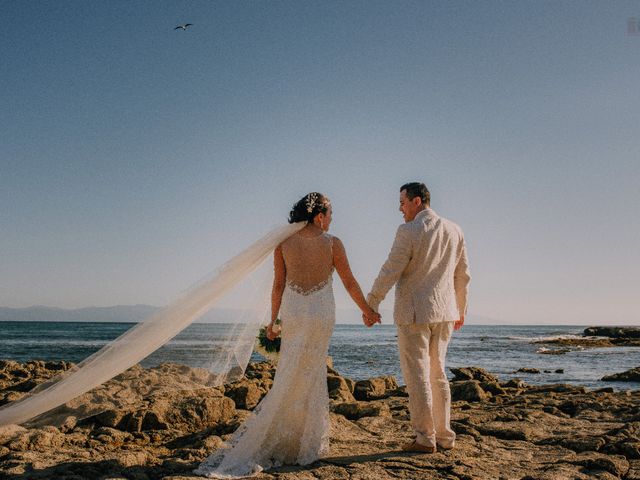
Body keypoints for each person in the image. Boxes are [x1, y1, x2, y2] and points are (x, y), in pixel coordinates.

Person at [195, 192, 380, 478]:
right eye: (330, 215)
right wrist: (367, 310)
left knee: (289, 373)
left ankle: (284, 438)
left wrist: (272, 322)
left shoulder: (283, 243)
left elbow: (278, 286)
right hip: (320, 313)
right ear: (320, 216)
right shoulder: (333, 244)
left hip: (293, 312)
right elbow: (349, 281)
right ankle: (305, 443)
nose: (331, 221)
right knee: (312, 372)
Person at [366, 182, 470, 453]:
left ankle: (425, 438)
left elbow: (391, 269)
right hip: (446, 312)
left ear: (417, 201)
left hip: (414, 314)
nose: (399, 208)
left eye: (402, 202)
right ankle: (445, 436)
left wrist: (372, 302)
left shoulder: (409, 230)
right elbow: (463, 275)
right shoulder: (455, 230)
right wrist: (461, 308)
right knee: (439, 373)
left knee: (418, 377)